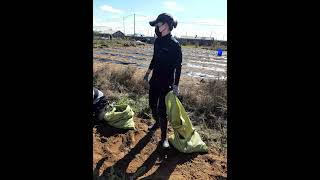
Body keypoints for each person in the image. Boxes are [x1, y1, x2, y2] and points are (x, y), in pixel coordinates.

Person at [143, 13, 182, 148]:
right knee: (152, 105)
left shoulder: (175, 45)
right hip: (155, 80)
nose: (157, 27)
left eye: (158, 24)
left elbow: (178, 66)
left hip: (166, 83)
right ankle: (157, 123)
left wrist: (176, 84)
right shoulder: (158, 41)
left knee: (162, 110)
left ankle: (164, 138)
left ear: (166, 25)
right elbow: (154, 58)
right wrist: (147, 73)